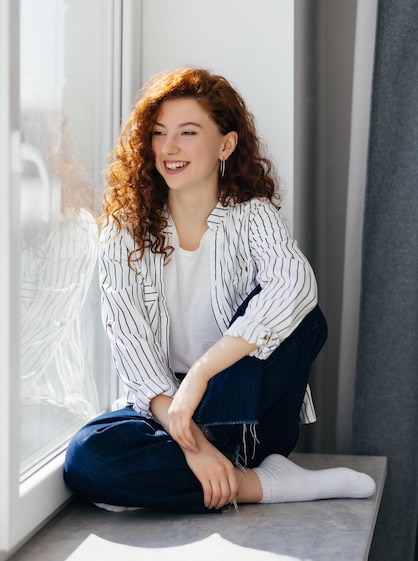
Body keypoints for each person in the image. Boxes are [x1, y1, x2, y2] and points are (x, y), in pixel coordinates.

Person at [64, 67, 376, 513]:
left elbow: (296, 284)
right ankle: (260, 483)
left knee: (302, 317)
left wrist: (201, 375)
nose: (169, 148)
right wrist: (193, 441)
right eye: (158, 133)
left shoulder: (252, 215)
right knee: (87, 458)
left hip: (252, 416)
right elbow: (134, 357)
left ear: (226, 144)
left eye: (188, 132)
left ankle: (179, 469)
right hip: (169, 414)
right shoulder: (122, 233)